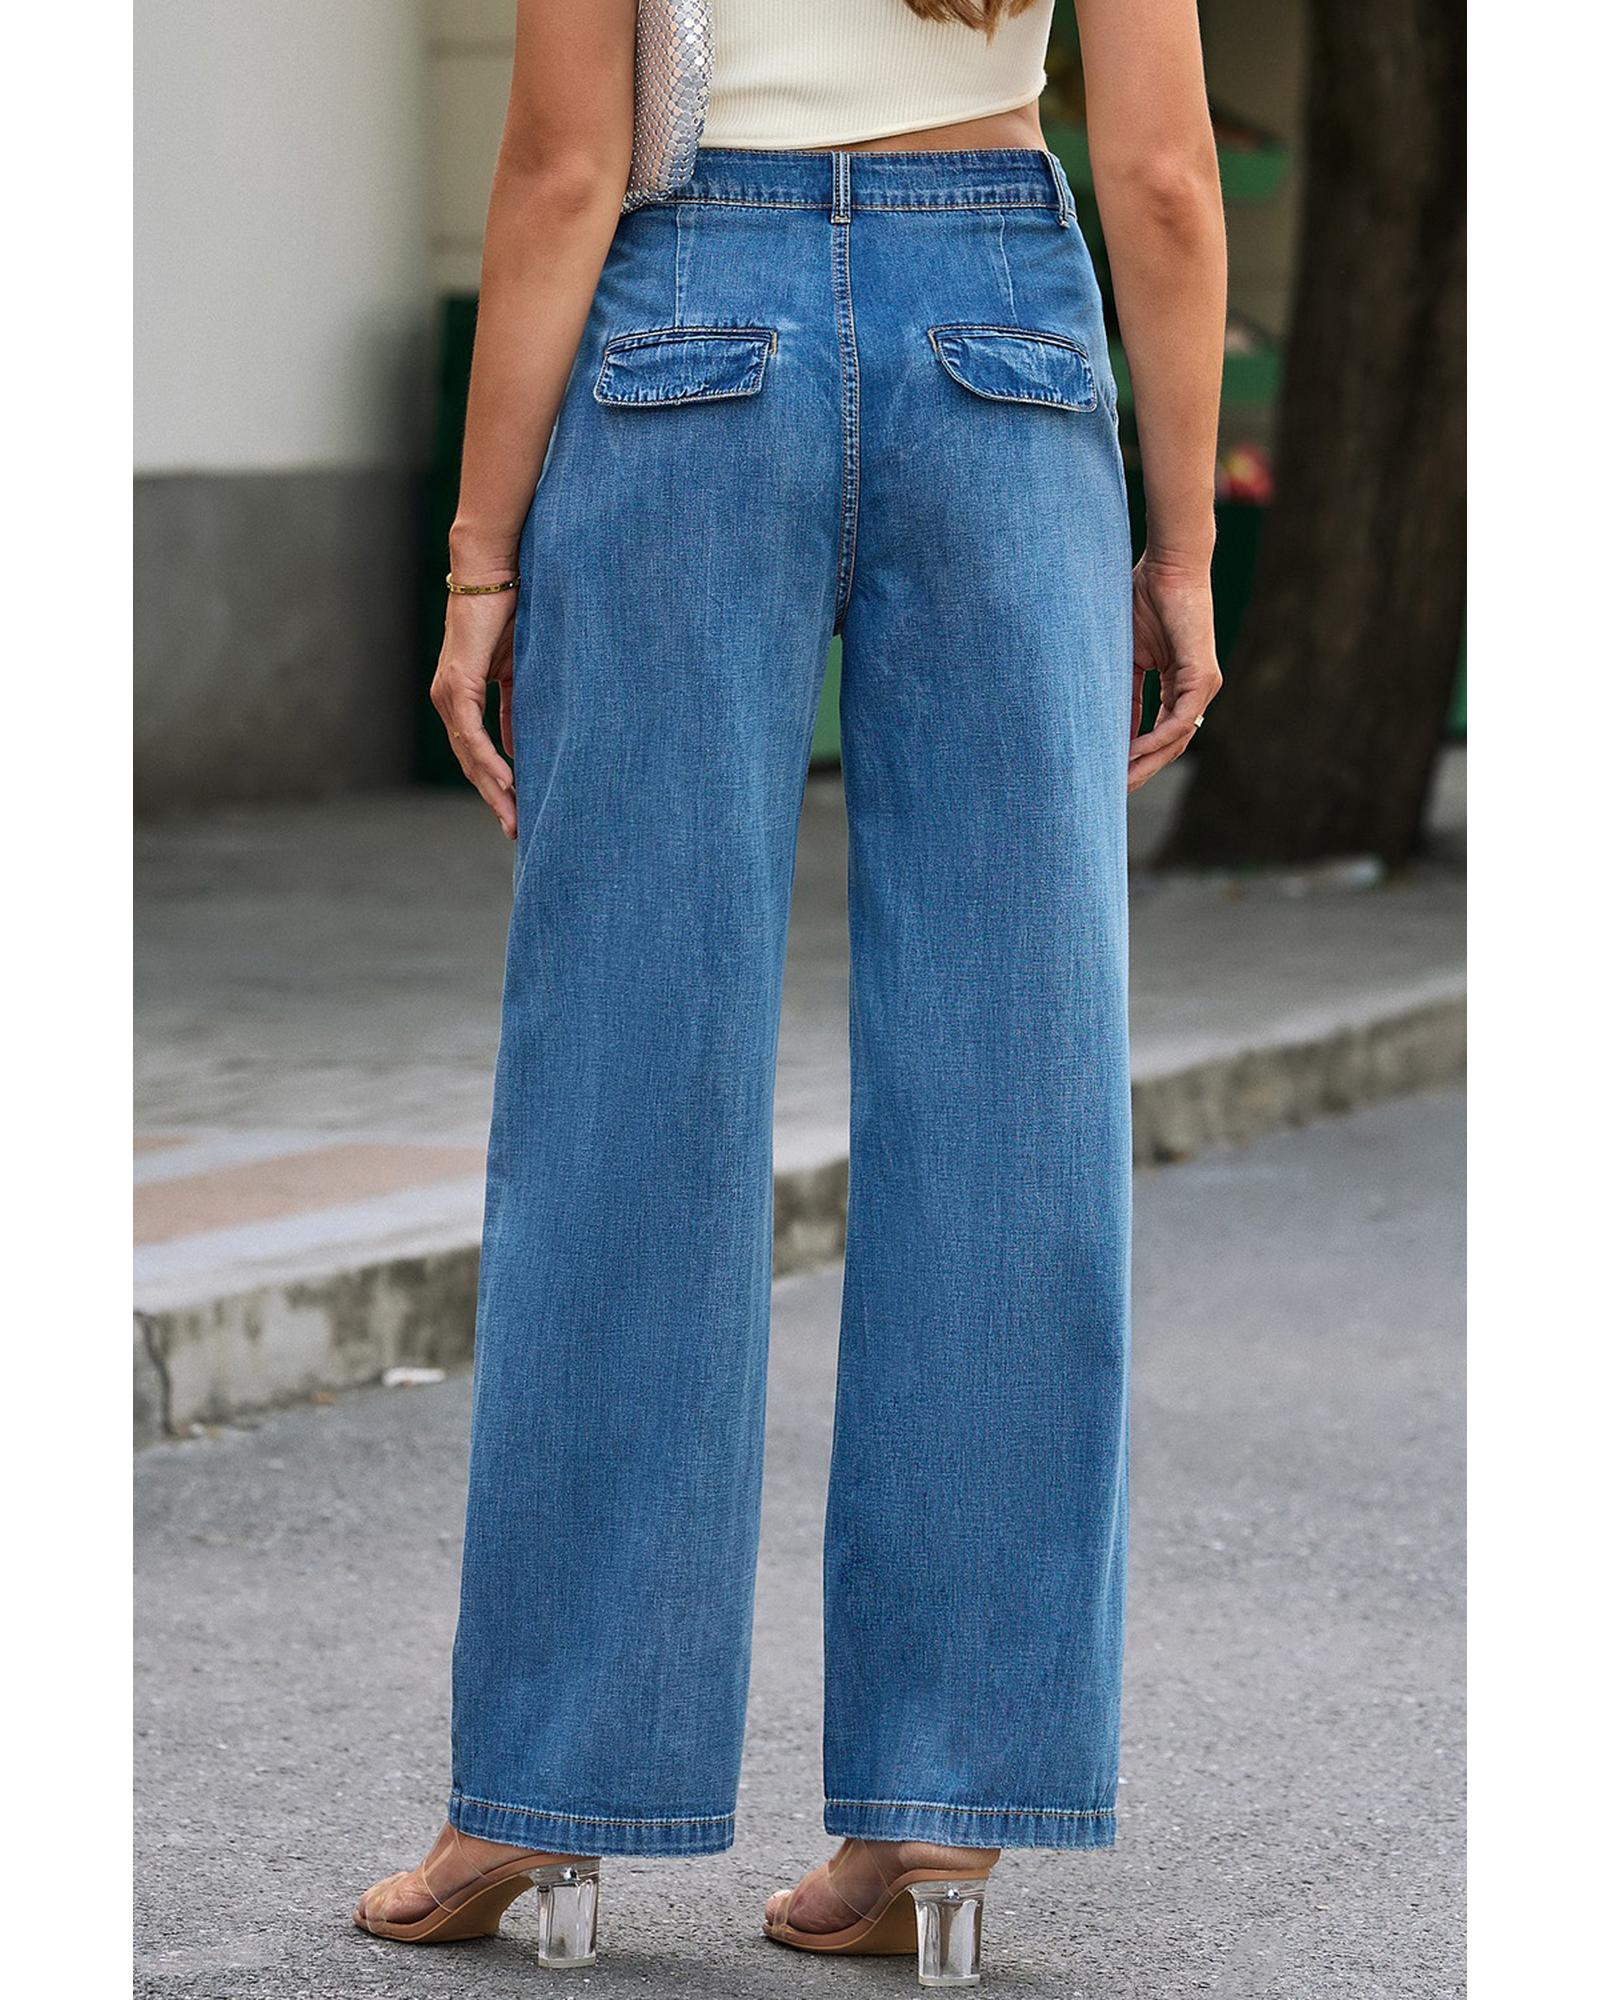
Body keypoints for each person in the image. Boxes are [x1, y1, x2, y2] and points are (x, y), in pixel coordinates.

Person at [355, 0, 1224, 1979]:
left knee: (622, 1088)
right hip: (1001, 333)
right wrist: (1177, 543)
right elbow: (1165, 177)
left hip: (686, 331)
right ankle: (942, 1806)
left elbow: (563, 168)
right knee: (1010, 1091)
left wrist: (478, 559)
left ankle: (543, 1797)